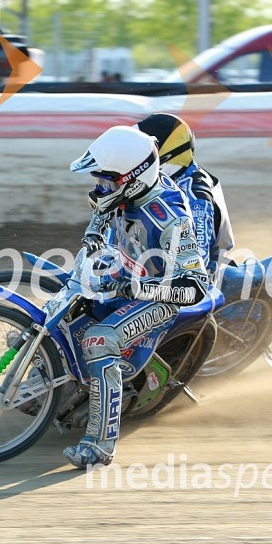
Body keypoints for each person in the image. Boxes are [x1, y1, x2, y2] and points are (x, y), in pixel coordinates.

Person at [63, 125, 210, 469]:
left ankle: (99, 446)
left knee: (99, 341)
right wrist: (94, 235)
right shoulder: (126, 189)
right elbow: (102, 207)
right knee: (65, 300)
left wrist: (138, 289)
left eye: (106, 182)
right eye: (97, 181)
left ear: (133, 179)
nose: (99, 189)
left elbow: (195, 287)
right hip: (125, 274)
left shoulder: (172, 221)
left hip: (157, 298)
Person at [83, 113, 234, 286]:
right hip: (144, 263)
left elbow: (198, 260)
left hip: (192, 281)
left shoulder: (197, 198)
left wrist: (144, 287)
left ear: (162, 154)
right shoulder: (154, 180)